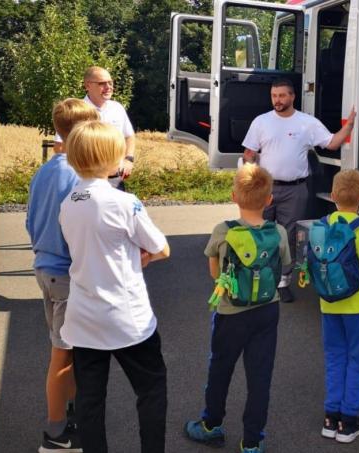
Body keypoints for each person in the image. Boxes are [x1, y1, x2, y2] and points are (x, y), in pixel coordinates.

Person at [59, 121, 171, 453]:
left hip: (83, 318)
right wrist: (143, 254)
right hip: (127, 318)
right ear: (111, 156)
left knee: (90, 400)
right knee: (151, 389)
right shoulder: (124, 202)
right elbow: (161, 247)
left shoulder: (68, 203)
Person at [184, 164, 290, 453]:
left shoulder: (223, 231)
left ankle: (211, 426)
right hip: (268, 311)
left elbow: (214, 271)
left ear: (233, 196)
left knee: (220, 368)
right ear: (269, 200)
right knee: (260, 377)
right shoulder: (278, 232)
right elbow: (285, 264)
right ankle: (252, 442)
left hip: (231, 313)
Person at [241, 78, 356, 302]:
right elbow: (249, 152)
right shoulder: (261, 122)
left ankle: (283, 282)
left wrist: (349, 125)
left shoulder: (307, 123)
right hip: (264, 189)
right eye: (274, 96)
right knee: (258, 233)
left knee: (288, 235)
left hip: (295, 189)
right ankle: (255, 280)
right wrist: (248, 166)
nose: (277, 100)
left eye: (282, 95)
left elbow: (331, 143)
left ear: (293, 96)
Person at [26, 98, 99, 452]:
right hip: (67, 273)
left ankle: (70, 417)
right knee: (63, 354)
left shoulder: (46, 170)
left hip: (45, 267)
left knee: (68, 351)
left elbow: (30, 222)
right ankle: (55, 435)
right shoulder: (76, 175)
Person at [315, 169, 359, 444]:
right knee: (357, 360)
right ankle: (349, 421)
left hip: (328, 304)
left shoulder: (323, 223)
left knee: (334, 358)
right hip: (357, 307)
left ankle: (330, 418)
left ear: (332, 196)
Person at [54, 66, 135, 189]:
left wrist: (128, 159)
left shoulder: (117, 108)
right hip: (86, 181)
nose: (108, 87)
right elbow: (60, 147)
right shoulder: (77, 111)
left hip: (116, 180)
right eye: (102, 83)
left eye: (110, 82)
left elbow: (129, 136)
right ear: (87, 86)